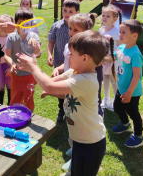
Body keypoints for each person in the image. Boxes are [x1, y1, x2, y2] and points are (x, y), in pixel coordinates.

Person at [17, 31, 109, 176]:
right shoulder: (74, 72)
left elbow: (48, 86)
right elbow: (51, 82)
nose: (67, 56)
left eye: (71, 54)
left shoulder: (86, 81)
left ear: (85, 58)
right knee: (76, 171)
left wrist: (34, 69)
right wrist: (35, 68)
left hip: (92, 143)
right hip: (79, 139)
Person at [112, 19, 143, 148]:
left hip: (132, 92)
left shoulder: (136, 54)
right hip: (121, 87)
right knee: (117, 107)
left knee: (133, 113)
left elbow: (137, 75)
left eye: (123, 32)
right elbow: (113, 57)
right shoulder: (121, 48)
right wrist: (101, 59)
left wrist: (129, 92)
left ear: (134, 35)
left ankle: (138, 136)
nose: (120, 34)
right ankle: (125, 124)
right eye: (120, 31)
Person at [47, 0, 80, 123]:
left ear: (77, 13)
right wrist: (49, 54)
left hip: (75, 66)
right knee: (60, 88)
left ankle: (72, 111)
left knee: (72, 88)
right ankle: (61, 109)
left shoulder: (79, 27)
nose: (67, 14)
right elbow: (51, 42)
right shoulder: (56, 26)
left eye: (70, 11)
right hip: (59, 63)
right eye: (64, 10)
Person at [4, 7, 41, 111]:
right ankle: (14, 116)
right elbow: (6, 55)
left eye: (27, 23)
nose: (24, 26)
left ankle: (28, 116)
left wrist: (35, 45)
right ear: (16, 24)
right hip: (16, 75)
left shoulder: (34, 36)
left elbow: (38, 54)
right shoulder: (11, 37)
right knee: (15, 98)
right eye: (21, 23)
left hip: (30, 75)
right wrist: (13, 64)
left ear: (31, 24)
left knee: (28, 99)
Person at [99, 4, 122, 111]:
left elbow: (121, 46)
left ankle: (116, 101)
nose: (104, 17)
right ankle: (106, 99)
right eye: (103, 15)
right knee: (105, 79)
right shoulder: (101, 30)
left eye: (108, 16)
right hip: (103, 60)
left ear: (115, 19)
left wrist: (115, 57)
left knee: (114, 80)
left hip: (113, 60)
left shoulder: (116, 31)